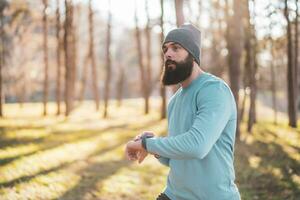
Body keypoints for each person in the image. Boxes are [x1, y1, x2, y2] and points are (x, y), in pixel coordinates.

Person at [125, 23, 241, 200]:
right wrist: (151, 146)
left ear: (192, 54)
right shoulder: (175, 101)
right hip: (173, 195)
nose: (167, 54)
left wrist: (147, 145)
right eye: (165, 49)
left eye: (176, 48)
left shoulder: (214, 90)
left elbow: (196, 146)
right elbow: (174, 159)